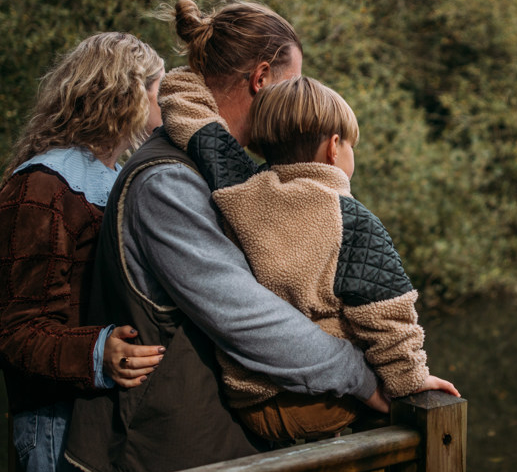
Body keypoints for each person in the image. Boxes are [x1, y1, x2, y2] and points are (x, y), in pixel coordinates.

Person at [63, 0, 386, 472]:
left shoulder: (229, 174)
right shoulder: (168, 180)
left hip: (225, 466)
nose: (299, 104)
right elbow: (244, 315)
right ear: (261, 78)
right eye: (293, 83)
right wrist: (361, 378)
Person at [160, 71, 460, 442]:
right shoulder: (351, 219)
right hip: (314, 404)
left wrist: (201, 53)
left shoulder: (238, 186)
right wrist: (411, 379)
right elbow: (387, 316)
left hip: (247, 400)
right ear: (335, 147)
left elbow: (185, 107)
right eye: (351, 146)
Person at [0, 32, 167, 472]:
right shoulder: (40, 188)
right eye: (158, 92)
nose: (165, 109)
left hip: (105, 416)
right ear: (125, 94)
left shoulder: (113, 179)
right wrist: (102, 349)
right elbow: (19, 329)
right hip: (56, 420)